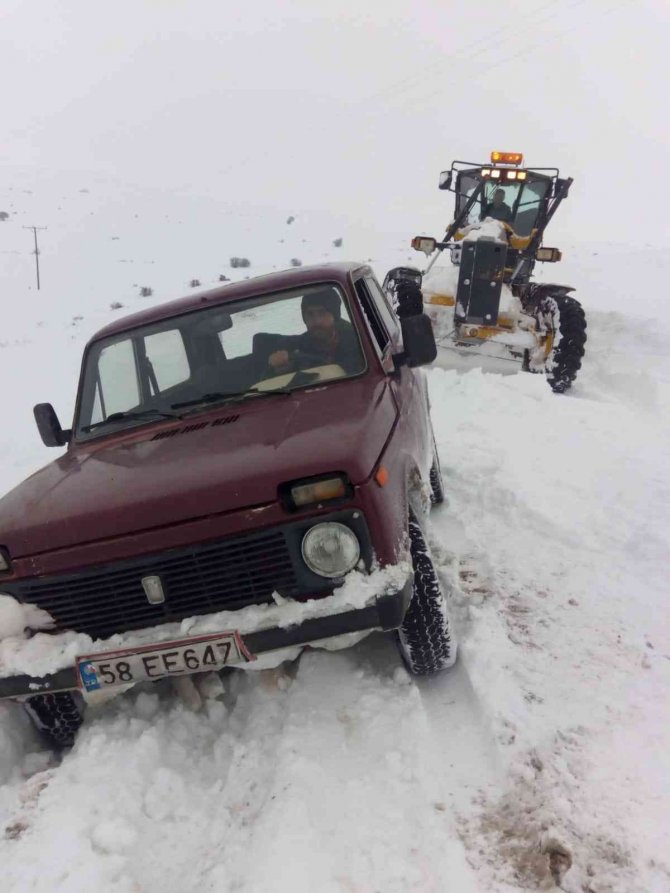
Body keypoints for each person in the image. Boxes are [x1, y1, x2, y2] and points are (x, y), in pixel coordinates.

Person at [267, 288, 363, 376]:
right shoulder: (297, 348)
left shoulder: (360, 343)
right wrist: (280, 368)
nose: (317, 321)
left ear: (335, 316)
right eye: (310, 314)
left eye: (322, 313)